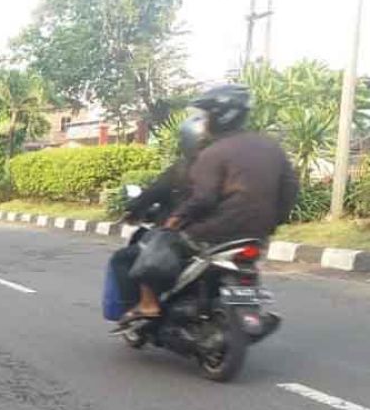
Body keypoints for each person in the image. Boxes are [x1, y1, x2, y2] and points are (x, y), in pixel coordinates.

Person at [120, 84, 299, 325]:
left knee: (160, 241)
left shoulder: (213, 153)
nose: (204, 123)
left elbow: (203, 199)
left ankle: (148, 304)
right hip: (258, 234)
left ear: (219, 117)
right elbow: (290, 190)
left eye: (206, 116)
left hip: (216, 232)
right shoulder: (271, 147)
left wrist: (175, 220)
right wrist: (275, 220)